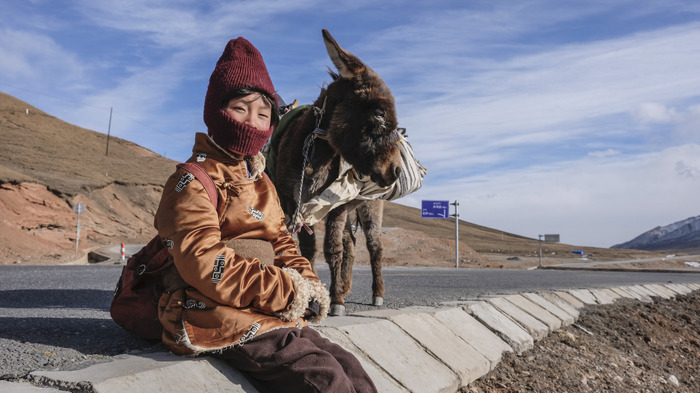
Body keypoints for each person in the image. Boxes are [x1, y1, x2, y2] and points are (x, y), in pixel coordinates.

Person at [154, 36, 377, 393]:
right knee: (326, 379)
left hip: (267, 309)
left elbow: (282, 241)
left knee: (351, 368)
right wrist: (287, 290)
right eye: (241, 109)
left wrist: (308, 283)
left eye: (263, 114)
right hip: (214, 313)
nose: (252, 123)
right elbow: (204, 262)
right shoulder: (191, 181)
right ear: (216, 110)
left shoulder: (260, 180)